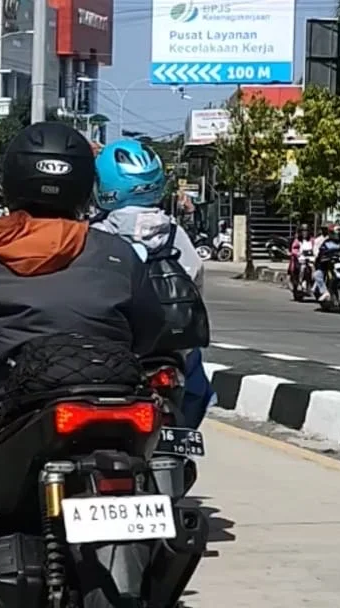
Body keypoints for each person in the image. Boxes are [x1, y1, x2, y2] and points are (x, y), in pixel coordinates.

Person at [0, 123, 165, 581]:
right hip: (114, 393)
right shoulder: (115, 251)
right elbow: (149, 331)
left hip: (16, 398)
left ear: (12, 181)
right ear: (84, 185)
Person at [91, 138, 213, 428]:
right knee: (197, 384)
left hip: (114, 350)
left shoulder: (96, 235)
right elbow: (196, 282)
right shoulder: (174, 232)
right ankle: (183, 443)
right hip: (171, 349)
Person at [313, 224, 340, 300]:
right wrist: (324, 258)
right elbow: (321, 254)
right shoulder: (326, 243)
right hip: (327, 266)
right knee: (317, 275)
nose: (337, 235)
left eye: (339, 234)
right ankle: (324, 292)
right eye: (335, 233)